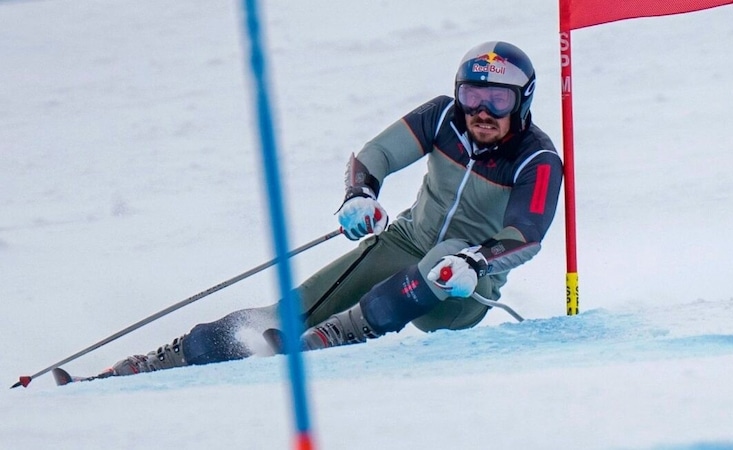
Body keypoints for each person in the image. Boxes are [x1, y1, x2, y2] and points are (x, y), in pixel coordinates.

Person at [95, 40, 563, 377]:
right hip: (407, 241)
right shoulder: (442, 116)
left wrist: (476, 261)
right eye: (472, 95)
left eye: (497, 99)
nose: (482, 111)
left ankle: (336, 335)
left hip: (461, 289)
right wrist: (360, 194)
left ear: (522, 101)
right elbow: (373, 156)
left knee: (449, 254)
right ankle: (161, 360)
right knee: (288, 310)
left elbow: (526, 235)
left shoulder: (537, 158)